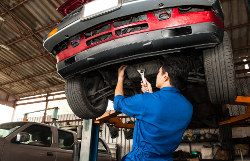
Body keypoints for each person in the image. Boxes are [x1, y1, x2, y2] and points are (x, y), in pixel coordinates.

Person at [114, 56, 193, 161]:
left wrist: (120, 78)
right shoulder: (188, 107)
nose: (157, 76)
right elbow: (160, 117)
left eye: (158, 72)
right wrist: (150, 95)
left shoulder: (148, 101)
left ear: (165, 76)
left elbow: (118, 102)